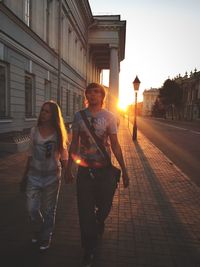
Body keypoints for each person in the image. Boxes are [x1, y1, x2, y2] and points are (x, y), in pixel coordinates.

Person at [65, 82, 129, 267]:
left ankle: (99, 221)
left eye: (96, 92)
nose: (92, 95)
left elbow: (115, 145)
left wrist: (124, 170)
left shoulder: (109, 116)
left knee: (105, 205)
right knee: (85, 212)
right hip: (85, 171)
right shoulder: (79, 116)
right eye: (89, 92)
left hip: (105, 170)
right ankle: (89, 249)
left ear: (102, 96)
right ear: (86, 96)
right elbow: (74, 144)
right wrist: (69, 167)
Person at [20, 100, 68, 251]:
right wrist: (24, 175)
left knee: (49, 209)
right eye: (42, 110)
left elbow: (64, 153)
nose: (43, 113)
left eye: (47, 111)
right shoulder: (34, 131)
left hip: (52, 177)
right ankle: (40, 229)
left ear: (53, 115)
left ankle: (46, 236)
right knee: (31, 209)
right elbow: (30, 154)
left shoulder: (58, 132)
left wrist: (67, 171)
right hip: (34, 176)